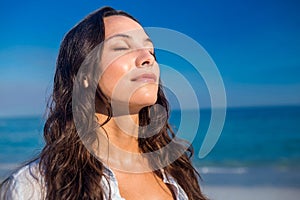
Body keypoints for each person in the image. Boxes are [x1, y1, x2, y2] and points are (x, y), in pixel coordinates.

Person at [0, 6, 207, 200]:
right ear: (85, 75)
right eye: (123, 48)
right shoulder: (35, 186)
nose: (147, 58)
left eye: (150, 50)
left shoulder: (175, 170)